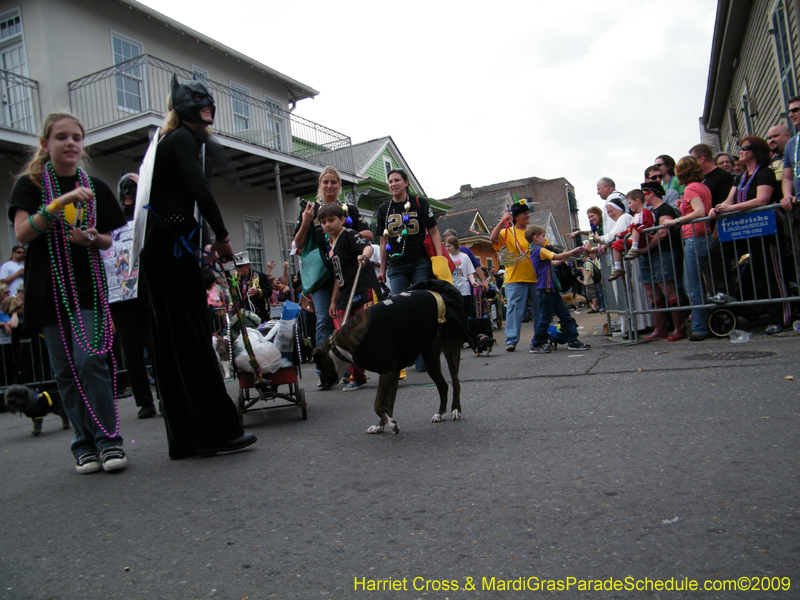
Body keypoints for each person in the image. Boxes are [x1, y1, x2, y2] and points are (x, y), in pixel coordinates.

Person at [139, 76, 256, 459]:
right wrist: (222, 237)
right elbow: (198, 191)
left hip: (167, 250)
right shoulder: (181, 141)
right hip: (170, 253)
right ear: (183, 108)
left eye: (208, 101)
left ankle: (188, 438)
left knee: (177, 343)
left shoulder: (169, 142)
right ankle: (212, 432)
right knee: (191, 341)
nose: (206, 106)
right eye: (198, 101)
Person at [9, 112, 128, 473]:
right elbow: (23, 233)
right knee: (65, 372)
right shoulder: (29, 186)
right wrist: (60, 203)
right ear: (46, 145)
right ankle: (83, 444)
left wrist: (90, 237)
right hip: (47, 292)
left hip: (87, 289)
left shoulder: (95, 186)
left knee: (90, 362)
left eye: (77, 137)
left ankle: (109, 441)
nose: (71, 143)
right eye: (62, 137)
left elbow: (110, 237)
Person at [710, 136, 791, 334]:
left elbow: (762, 200)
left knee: (770, 271)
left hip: (766, 228)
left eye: (745, 148)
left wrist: (732, 208)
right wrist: (718, 209)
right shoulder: (740, 177)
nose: (741, 151)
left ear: (755, 151)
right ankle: (725, 291)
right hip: (744, 229)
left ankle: (780, 318)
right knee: (717, 247)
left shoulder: (765, 173)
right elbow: (729, 200)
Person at [294, 166, 372, 350]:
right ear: (320, 185)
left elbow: (368, 234)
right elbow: (298, 245)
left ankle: (349, 367)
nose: (329, 186)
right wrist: (306, 221)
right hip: (321, 273)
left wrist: (345, 235)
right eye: (325, 182)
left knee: (347, 317)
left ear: (339, 185)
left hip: (346, 272)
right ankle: (325, 370)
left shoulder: (348, 210)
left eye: (333, 182)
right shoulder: (310, 209)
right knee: (323, 318)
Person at [377, 168, 441, 371]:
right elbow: (382, 240)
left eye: (397, 180)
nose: (393, 184)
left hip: (420, 262)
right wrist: (383, 269)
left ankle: (425, 359)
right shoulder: (384, 209)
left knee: (420, 306)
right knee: (400, 310)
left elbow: (434, 231)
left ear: (406, 183)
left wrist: (438, 259)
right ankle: (406, 358)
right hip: (396, 266)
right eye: (390, 181)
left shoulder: (419, 203)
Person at [108, 173, 158, 419]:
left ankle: (165, 394)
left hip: (146, 290)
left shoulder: (146, 215)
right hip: (120, 295)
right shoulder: (111, 221)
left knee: (154, 345)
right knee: (131, 350)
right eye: (124, 192)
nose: (128, 196)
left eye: (132, 192)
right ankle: (144, 401)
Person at [319, 203, 382, 391]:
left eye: (331, 220)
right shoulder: (330, 246)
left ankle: (393, 367)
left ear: (341, 219)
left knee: (372, 332)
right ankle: (358, 376)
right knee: (344, 338)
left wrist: (364, 257)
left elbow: (368, 248)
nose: (327, 225)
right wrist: (333, 300)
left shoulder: (349, 234)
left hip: (364, 290)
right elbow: (338, 277)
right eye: (323, 222)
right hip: (345, 296)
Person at [663, 156, 713, 341]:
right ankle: (702, 322)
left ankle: (700, 327)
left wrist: (676, 220)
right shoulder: (702, 186)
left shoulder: (691, 188)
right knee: (695, 282)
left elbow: (700, 211)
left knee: (692, 284)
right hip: (701, 236)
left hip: (695, 236)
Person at [627, 183, 684, 341]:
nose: (643, 197)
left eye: (644, 193)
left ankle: (680, 328)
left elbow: (663, 233)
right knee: (652, 292)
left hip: (662, 253)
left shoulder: (665, 209)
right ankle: (661, 328)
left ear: (651, 193)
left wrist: (645, 249)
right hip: (648, 256)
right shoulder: (648, 212)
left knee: (669, 290)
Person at [525, 225, 591, 354]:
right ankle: (536, 343)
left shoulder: (536, 251)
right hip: (546, 289)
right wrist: (572, 252)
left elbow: (554, 262)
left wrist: (567, 256)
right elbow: (557, 257)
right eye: (543, 236)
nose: (545, 239)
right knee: (546, 318)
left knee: (565, 315)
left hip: (551, 289)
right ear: (536, 237)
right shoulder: (539, 250)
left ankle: (573, 340)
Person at [490, 199, 540, 352]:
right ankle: (511, 340)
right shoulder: (507, 232)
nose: (528, 215)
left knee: (540, 310)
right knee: (514, 310)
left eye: (528, 213)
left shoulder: (533, 233)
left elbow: (545, 249)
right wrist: (502, 222)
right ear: (516, 216)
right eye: (525, 213)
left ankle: (540, 337)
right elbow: (492, 239)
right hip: (515, 278)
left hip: (536, 277)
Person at [607, 189, 655, 281]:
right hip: (634, 239)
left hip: (644, 238)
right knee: (615, 245)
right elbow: (629, 230)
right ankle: (618, 268)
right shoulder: (634, 215)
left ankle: (634, 248)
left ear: (637, 201)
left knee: (635, 226)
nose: (628, 206)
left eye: (629, 203)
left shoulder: (646, 212)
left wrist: (637, 228)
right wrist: (621, 234)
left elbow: (648, 225)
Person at [690, 143, 735, 208]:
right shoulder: (701, 179)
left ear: (702, 159)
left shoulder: (724, 176)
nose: (692, 164)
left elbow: (726, 203)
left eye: (693, 160)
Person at [232, 253, 272, 323]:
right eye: (236, 266)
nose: (238, 269)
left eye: (240, 266)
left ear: (248, 265)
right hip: (243, 314)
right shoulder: (235, 279)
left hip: (258, 313)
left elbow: (269, 291)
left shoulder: (260, 276)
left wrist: (257, 292)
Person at [444, 235, 477, 318]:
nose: (447, 248)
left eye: (449, 246)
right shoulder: (446, 258)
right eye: (446, 246)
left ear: (455, 245)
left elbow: (470, 272)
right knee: (453, 312)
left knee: (464, 312)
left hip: (464, 288)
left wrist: (473, 282)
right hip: (451, 288)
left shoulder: (465, 257)